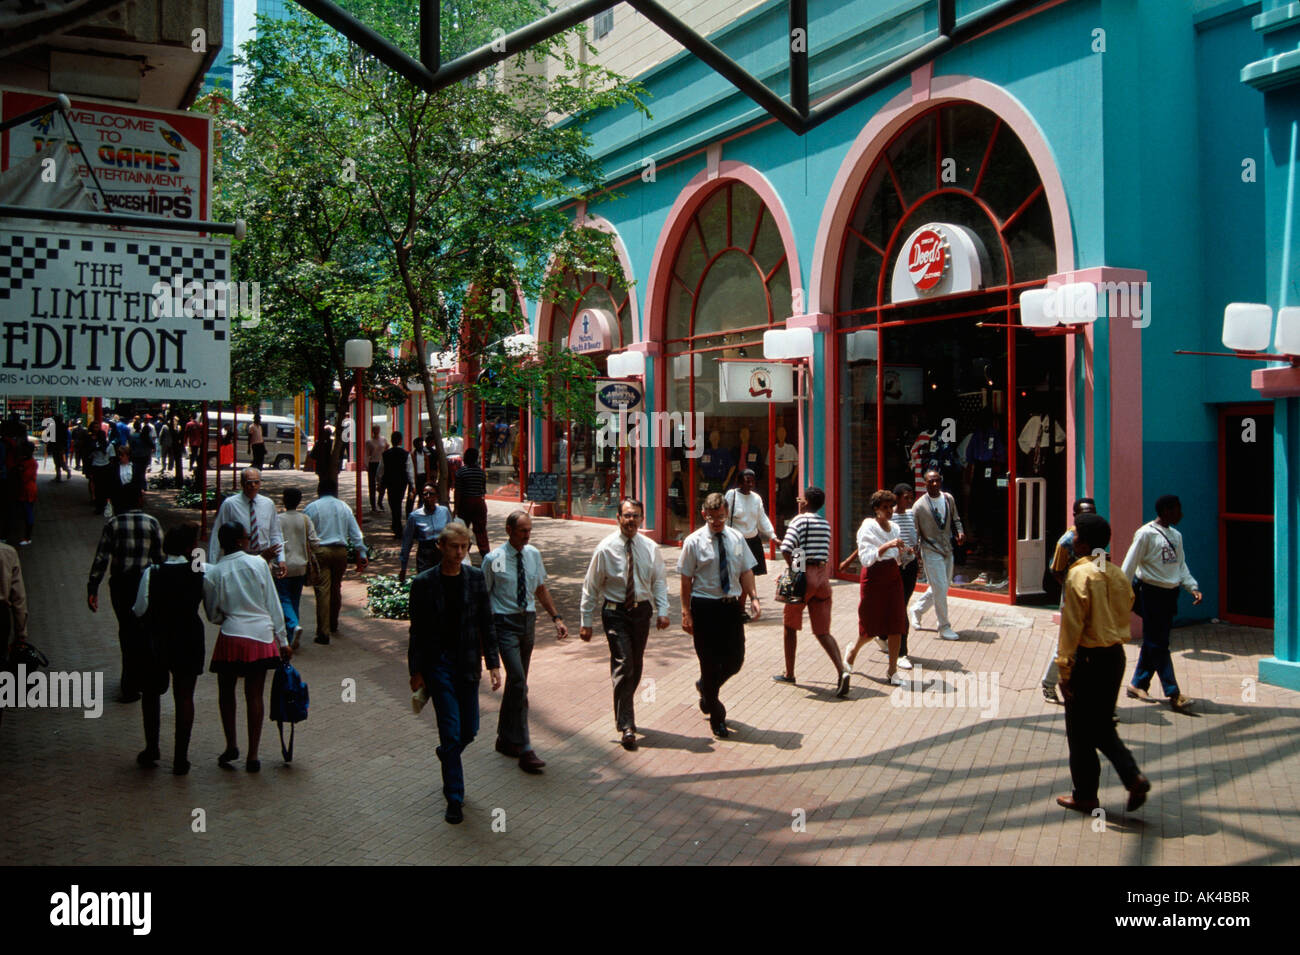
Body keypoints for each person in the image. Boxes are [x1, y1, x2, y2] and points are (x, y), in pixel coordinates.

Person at [1054, 513, 1151, 814]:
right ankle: (1123, 778)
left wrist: (1064, 669)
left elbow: (1071, 627)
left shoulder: (1079, 574)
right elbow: (1129, 603)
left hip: (1087, 658)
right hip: (1115, 657)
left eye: (1076, 536)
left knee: (1081, 731)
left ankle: (1091, 792)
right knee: (1100, 724)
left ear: (1081, 542)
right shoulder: (1116, 573)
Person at [408, 522, 502, 824]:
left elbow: (487, 623)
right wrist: (416, 671)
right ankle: (455, 798)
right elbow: (417, 631)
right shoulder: (423, 583)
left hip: (468, 664)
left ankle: (447, 752)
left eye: (464, 547)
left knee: (469, 729)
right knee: (450, 729)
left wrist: (494, 664)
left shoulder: (475, 579)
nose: (459, 552)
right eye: (453, 547)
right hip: (439, 666)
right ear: (441, 546)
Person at [579, 498, 670, 750]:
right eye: (627, 516)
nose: (631, 521)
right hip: (615, 613)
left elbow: (659, 581)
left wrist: (663, 611)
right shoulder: (605, 549)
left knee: (636, 665)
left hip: (641, 612)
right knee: (624, 663)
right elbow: (591, 586)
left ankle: (625, 709)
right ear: (618, 518)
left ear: (642, 519)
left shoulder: (650, 548)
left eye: (636, 516)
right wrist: (586, 621)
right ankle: (627, 725)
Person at [482, 511, 568, 774]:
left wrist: (556, 618)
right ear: (509, 530)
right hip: (504, 624)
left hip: (527, 623)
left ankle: (505, 738)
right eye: (522, 531)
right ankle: (525, 747)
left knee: (517, 684)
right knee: (518, 681)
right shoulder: (494, 559)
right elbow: (483, 597)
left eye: (529, 531)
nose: (527, 536)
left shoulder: (533, 555)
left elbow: (540, 588)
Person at [204, 522, 292, 772]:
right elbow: (272, 603)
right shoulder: (258, 564)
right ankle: (253, 754)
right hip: (261, 635)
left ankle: (231, 744)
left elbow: (213, 614)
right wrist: (282, 640)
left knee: (226, 692)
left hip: (231, 635)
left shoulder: (214, 572)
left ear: (222, 543)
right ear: (243, 541)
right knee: (254, 695)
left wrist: (229, 616)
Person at [680, 492, 761, 739]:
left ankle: (706, 687)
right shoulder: (693, 542)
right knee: (709, 661)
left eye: (721, 517)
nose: (717, 522)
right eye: (712, 517)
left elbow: (746, 570)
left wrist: (754, 598)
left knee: (735, 660)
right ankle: (717, 715)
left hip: (730, 608)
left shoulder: (736, 538)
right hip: (705, 608)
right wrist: (686, 612)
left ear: (727, 515)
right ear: (704, 514)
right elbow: (685, 578)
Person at [131, 522, 208, 774]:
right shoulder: (199, 571)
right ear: (189, 547)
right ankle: (180, 758)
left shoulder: (152, 572)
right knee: (185, 696)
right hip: (189, 637)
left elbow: (139, 608)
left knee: (151, 693)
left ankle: (152, 747)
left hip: (158, 638)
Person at [1121, 494, 1201, 712]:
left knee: (1154, 640)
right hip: (1150, 593)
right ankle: (1173, 692)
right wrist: (1121, 593)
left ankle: (1137, 683)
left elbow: (1180, 565)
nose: (1181, 514)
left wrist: (1192, 587)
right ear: (1166, 510)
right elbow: (1129, 564)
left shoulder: (1176, 535)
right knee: (1159, 644)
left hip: (1169, 594)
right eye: (1177, 509)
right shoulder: (1145, 534)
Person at [87, 482, 163, 703]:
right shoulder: (152, 523)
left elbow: (101, 559)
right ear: (139, 499)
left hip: (121, 584)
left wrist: (93, 587)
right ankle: (145, 678)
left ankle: (129, 684)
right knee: (144, 631)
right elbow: (160, 559)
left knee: (127, 631)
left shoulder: (114, 524)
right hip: (146, 584)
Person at [772, 487, 847, 695]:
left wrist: (796, 570)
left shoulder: (799, 520)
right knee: (823, 631)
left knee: (790, 625)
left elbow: (787, 548)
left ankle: (789, 673)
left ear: (805, 502)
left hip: (804, 574)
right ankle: (842, 671)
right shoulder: (825, 524)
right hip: (822, 576)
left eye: (801, 499)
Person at [842, 489, 912, 685]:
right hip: (873, 576)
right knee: (870, 625)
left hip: (893, 576)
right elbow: (866, 558)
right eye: (884, 508)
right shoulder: (867, 528)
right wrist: (888, 545)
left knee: (896, 623)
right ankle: (852, 652)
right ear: (876, 509)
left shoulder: (895, 528)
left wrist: (906, 552)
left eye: (891, 507)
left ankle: (892, 671)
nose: (889, 511)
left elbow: (897, 556)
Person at [1042, 497, 1097, 703]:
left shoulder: (1097, 536)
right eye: (1084, 513)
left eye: (1092, 511)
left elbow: (1099, 568)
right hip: (1072, 599)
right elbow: (1056, 571)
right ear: (1075, 516)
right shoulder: (1066, 541)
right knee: (1066, 645)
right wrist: (1070, 589)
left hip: (1093, 598)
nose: (1089, 516)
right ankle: (1049, 683)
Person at [302, 477, 368, 644]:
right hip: (340, 551)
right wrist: (361, 552)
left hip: (321, 551)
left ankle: (323, 632)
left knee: (323, 590)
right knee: (336, 587)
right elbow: (355, 532)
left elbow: (305, 532)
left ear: (319, 490)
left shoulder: (312, 507)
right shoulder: (343, 507)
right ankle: (333, 623)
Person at [908, 468, 966, 641]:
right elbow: (915, 532)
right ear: (924, 483)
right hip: (930, 549)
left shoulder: (948, 499)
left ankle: (917, 609)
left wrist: (960, 532)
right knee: (940, 587)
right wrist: (916, 555)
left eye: (937, 480)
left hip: (947, 548)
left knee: (941, 586)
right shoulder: (918, 507)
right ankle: (944, 626)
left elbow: (956, 519)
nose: (934, 484)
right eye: (930, 481)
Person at [207, 468, 285, 575]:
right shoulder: (230, 504)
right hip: (239, 558)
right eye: (249, 482)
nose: (253, 485)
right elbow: (217, 533)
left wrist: (281, 559)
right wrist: (212, 564)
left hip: (264, 557)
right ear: (242, 483)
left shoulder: (268, 504)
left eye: (256, 482)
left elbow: (275, 533)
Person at [277, 487, 319, 650]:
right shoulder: (305, 519)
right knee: (294, 599)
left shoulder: (278, 519)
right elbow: (315, 542)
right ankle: (292, 632)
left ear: (284, 500)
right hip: (301, 566)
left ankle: (293, 627)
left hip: (283, 566)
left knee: (283, 599)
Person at [723, 469, 775, 576]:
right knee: (739, 571)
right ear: (740, 482)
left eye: (752, 481)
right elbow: (725, 517)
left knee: (751, 573)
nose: (750, 484)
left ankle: (749, 593)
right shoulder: (732, 495)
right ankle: (742, 592)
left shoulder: (756, 498)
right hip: (738, 543)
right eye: (747, 481)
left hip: (753, 542)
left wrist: (772, 536)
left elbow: (762, 518)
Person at [399, 484, 451, 582]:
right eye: (425, 494)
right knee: (426, 583)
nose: (428, 496)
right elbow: (407, 542)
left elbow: (451, 533)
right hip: (425, 554)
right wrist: (403, 567)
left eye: (431, 494)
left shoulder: (444, 512)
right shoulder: (414, 516)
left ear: (436, 496)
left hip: (442, 552)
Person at [453, 447, 490, 559]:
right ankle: (485, 554)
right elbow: (483, 490)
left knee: (463, 530)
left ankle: (463, 553)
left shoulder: (460, 472)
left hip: (465, 503)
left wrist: (456, 508)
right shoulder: (481, 472)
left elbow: (458, 491)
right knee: (481, 530)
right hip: (479, 503)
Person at [377, 431, 415, 538]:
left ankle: (396, 525)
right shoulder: (406, 454)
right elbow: (410, 471)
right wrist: (413, 485)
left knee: (393, 503)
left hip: (390, 482)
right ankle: (396, 525)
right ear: (400, 441)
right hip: (402, 482)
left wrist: (378, 482)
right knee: (397, 502)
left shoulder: (386, 454)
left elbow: (380, 470)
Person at [14, 442, 36, 546]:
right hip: (24, 489)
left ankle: (28, 537)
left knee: (28, 513)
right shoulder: (24, 461)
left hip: (28, 490)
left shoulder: (31, 462)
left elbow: (25, 477)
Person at [408, 435, 428, 520]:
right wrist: (413, 481)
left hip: (423, 477)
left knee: (422, 497)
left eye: (422, 444)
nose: (421, 446)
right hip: (415, 477)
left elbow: (428, 467)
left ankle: (421, 513)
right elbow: (411, 468)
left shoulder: (425, 454)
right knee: (411, 497)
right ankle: (408, 514)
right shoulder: (412, 455)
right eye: (419, 444)